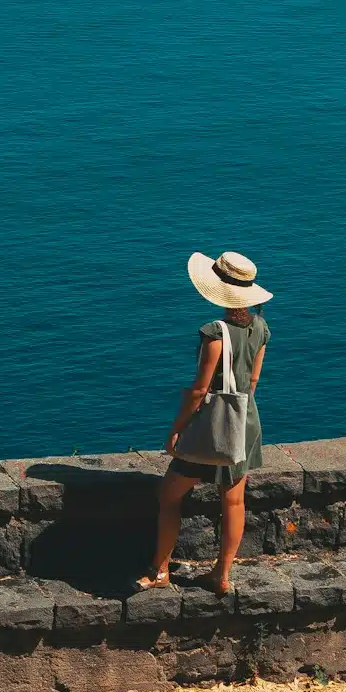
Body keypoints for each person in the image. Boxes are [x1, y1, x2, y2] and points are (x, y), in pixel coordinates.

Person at [136, 250, 272, 596]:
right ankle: (222, 575)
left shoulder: (214, 334)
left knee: (169, 496)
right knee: (234, 502)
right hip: (244, 423)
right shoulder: (261, 327)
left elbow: (199, 390)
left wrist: (177, 430)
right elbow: (253, 381)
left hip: (212, 426)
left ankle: (160, 569)